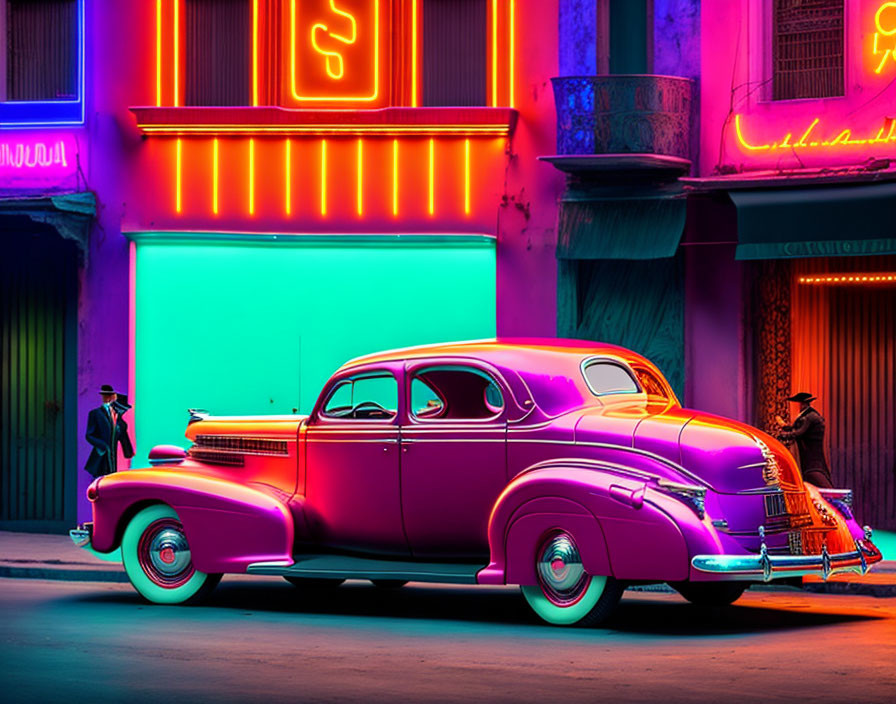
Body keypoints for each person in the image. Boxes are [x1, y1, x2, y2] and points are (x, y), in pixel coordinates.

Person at [775, 392, 833, 488]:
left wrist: (783, 436)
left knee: (814, 474)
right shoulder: (807, 415)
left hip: (811, 453)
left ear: (802, 404)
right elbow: (796, 428)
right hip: (807, 452)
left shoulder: (809, 416)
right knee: (810, 475)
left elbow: (799, 432)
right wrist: (784, 426)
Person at [84, 384, 134, 478]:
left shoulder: (120, 422)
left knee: (111, 478)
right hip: (101, 457)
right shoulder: (96, 414)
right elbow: (89, 435)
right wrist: (103, 446)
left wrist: (129, 454)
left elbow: (124, 439)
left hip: (114, 460)